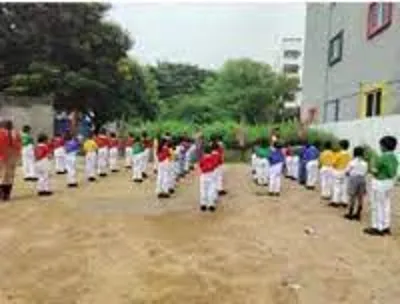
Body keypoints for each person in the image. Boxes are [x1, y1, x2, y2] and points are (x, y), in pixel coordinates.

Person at [364, 136, 398, 236]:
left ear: (384, 146)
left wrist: (371, 166)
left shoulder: (382, 157)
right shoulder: (394, 157)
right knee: (386, 204)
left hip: (379, 183)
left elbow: (375, 170)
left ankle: (377, 227)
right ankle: (386, 226)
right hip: (389, 182)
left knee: (376, 205)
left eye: (381, 145)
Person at [344, 146, 368, 221]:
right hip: (362, 179)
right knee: (360, 197)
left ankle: (350, 213)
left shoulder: (352, 162)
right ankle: (358, 214)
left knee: (352, 196)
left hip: (353, 179)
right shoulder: (365, 163)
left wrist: (349, 174)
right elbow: (365, 172)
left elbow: (347, 172)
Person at [0, 120, 21, 201]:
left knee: (2, 175)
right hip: (12, 155)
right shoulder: (15, 133)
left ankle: (2, 194)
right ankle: (6, 194)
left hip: (3, 155)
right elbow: (19, 144)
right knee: (10, 176)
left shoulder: (1, 132)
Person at [330, 139, 351, 208]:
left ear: (341, 146)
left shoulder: (339, 154)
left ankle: (336, 201)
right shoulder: (349, 155)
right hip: (346, 171)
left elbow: (333, 163)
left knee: (337, 186)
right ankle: (344, 202)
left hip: (338, 171)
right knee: (345, 187)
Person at [199, 143, 217, 212]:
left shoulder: (202, 158)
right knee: (211, 190)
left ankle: (203, 204)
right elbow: (215, 165)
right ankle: (211, 204)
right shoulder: (212, 158)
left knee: (203, 190)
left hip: (204, 175)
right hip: (211, 174)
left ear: (204, 152)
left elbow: (200, 165)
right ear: (210, 151)